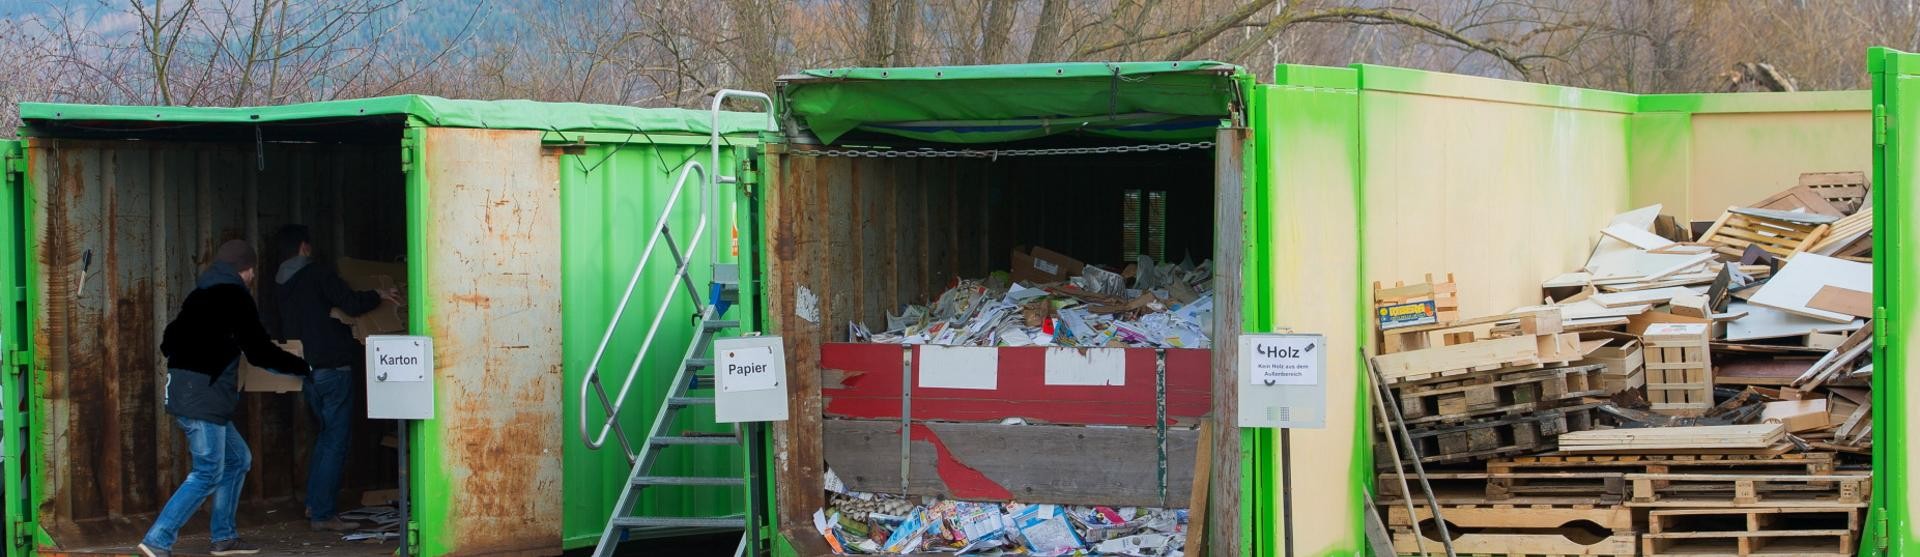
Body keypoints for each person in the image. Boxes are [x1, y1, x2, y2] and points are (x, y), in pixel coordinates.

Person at [140, 240, 310, 557]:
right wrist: (301, 366)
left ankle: (224, 537)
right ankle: (157, 539)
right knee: (207, 472)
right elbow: (259, 351)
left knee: (237, 460)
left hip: (191, 394)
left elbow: (169, 340)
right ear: (247, 270)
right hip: (203, 399)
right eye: (252, 271)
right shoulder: (234, 298)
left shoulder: (199, 296)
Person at [269, 224, 399, 532]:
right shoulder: (317, 275)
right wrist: (378, 294)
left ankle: (315, 503)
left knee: (325, 438)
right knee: (335, 441)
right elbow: (351, 303)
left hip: (306, 371)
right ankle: (323, 513)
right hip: (333, 369)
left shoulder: (280, 283)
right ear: (304, 247)